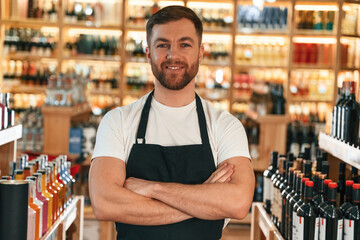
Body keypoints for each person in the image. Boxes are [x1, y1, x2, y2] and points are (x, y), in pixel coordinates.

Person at [89, 5, 255, 240]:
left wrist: (152, 189)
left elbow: (237, 203)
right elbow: (105, 203)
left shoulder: (225, 126)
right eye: (162, 44)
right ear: (149, 53)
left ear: (200, 53)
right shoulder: (117, 121)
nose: (172, 55)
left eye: (184, 45)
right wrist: (203, 200)